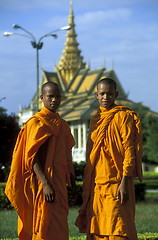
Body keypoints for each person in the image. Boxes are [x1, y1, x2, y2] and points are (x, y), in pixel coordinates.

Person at [5, 82, 76, 240]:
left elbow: (66, 155)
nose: (54, 100)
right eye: (50, 96)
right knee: (42, 225)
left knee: (60, 228)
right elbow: (31, 157)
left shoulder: (63, 125)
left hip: (58, 185)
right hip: (41, 184)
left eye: (58, 97)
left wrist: (72, 180)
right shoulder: (36, 123)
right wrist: (45, 183)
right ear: (42, 98)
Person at [75, 78, 143, 240]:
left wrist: (125, 182)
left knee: (118, 228)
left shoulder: (122, 117)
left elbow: (129, 150)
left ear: (116, 95)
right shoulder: (95, 120)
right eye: (102, 94)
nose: (106, 97)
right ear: (96, 95)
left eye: (109, 94)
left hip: (117, 183)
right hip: (97, 185)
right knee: (98, 229)